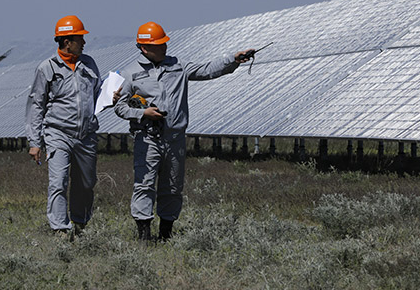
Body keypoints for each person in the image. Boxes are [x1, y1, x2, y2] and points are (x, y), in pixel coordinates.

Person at [113, 21, 254, 241]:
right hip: (148, 139)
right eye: (159, 45)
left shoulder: (178, 66)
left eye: (164, 43)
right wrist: (143, 114)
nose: (164, 47)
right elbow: (120, 107)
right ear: (144, 48)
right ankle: (144, 236)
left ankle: (166, 235)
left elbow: (207, 69)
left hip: (175, 138)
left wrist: (233, 59)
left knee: (172, 187)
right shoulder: (130, 73)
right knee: (145, 185)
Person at [26, 15, 101, 236]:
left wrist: (111, 94)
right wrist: (34, 142)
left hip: (86, 134)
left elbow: (97, 93)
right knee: (58, 181)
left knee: (86, 183)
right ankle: (60, 229)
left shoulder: (89, 64)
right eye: (80, 38)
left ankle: (80, 223)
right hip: (58, 133)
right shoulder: (47, 68)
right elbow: (36, 104)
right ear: (67, 41)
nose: (84, 42)